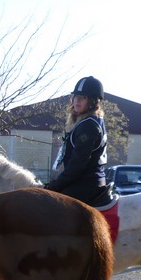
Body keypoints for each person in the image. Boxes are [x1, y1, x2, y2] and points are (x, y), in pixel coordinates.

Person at [46, 76, 113, 207]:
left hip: (86, 183)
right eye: (76, 96)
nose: (77, 100)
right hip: (86, 182)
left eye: (83, 97)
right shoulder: (92, 121)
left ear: (93, 101)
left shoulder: (88, 126)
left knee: (52, 207)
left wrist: (54, 186)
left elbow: (77, 165)